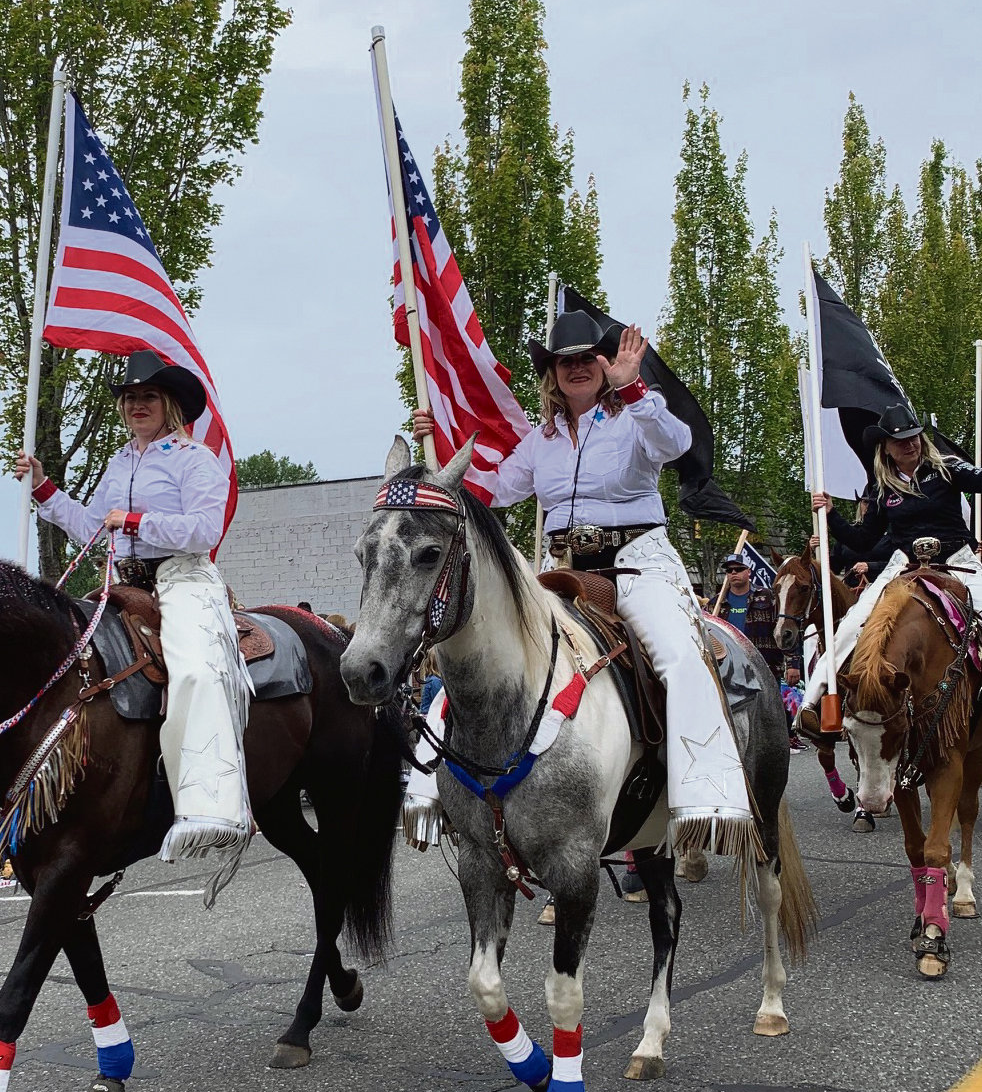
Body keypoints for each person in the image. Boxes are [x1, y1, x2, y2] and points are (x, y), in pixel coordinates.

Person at [412, 311, 754, 833]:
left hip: (637, 564)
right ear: (553, 372)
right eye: (564, 361)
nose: (577, 368)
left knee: (679, 654)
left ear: (603, 363)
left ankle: (707, 796)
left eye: (586, 358)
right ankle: (432, 788)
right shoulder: (539, 442)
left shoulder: (634, 417)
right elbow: (493, 491)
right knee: (482, 649)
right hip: (560, 573)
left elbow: (676, 444)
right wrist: (436, 450)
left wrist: (634, 388)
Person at [15, 350, 253, 881]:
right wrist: (42, 487)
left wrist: (139, 520)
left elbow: (204, 530)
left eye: (147, 396)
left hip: (182, 577)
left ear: (168, 404)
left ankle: (212, 804)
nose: (136, 405)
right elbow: (92, 527)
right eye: (129, 398)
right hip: (122, 583)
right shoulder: (120, 462)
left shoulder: (195, 460)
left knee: (194, 669)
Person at [799, 403, 982, 735]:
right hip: (904, 568)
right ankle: (813, 706)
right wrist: (830, 514)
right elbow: (864, 540)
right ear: (885, 447)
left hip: (958, 563)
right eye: (900, 441)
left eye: (913, 437)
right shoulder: (883, 490)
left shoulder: (947, 470)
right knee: (851, 624)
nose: (909, 444)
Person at [716, 555, 754, 633]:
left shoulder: (766, 596)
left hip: (758, 644)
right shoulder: (716, 602)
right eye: (729, 570)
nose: (733, 572)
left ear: (749, 572)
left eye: (739, 569)